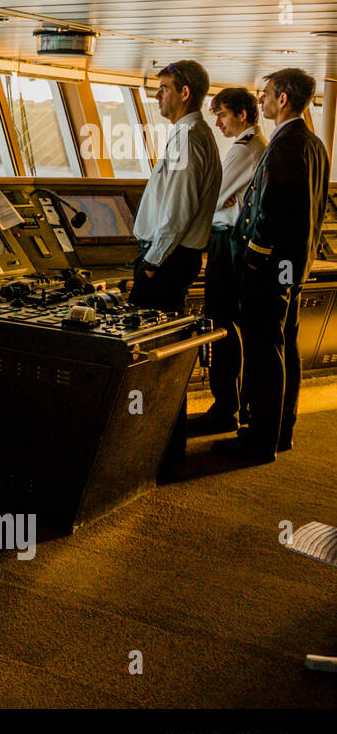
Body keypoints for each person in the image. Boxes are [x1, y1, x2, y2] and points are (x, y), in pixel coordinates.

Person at [215, 69, 332, 463]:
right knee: (285, 347)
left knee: (265, 349)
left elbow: (272, 211)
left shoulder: (285, 145)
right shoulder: (314, 143)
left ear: (283, 99)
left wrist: (254, 256)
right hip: (294, 266)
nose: (261, 102)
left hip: (270, 269)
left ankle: (260, 440)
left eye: (266, 95)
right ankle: (282, 431)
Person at [188, 87, 266, 435]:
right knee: (235, 328)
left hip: (227, 246)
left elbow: (213, 199)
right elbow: (224, 199)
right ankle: (236, 406)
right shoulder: (253, 148)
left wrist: (225, 202)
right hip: (235, 245)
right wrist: (227, 202)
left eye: (221, 114)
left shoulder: (244, 151)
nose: (217, 122)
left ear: (242, 114)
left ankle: (225, 408)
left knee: (223, 327)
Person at [129, 60, 221, 312]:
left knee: (145, 340)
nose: (157, 95)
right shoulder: (193, 133)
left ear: (185, 93)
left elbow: (179, 208)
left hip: (168, 259)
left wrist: (152, 262)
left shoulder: (189, 138)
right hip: (173, 257)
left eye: (164, 88)